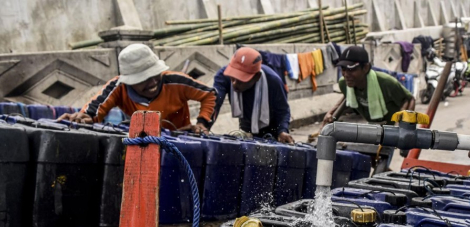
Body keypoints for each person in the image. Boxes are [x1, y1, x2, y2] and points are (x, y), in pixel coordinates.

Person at [58, 44, 216, 133]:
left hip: (179, 141)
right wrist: (83, 117)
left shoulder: (176, 81)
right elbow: (95, 108)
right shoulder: (118, 87)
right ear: (129, 81)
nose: (153, 82)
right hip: (141, 143)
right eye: (144, 79)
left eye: (155, 75)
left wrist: (202, 124)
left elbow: (210, 94)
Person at [212, 47, 294, 143]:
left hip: (271, 130)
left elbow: (283, 111)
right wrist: (204, 123)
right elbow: (214, 100)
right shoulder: (224, 75)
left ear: (256, 77)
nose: (234, 84)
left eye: (240, 80)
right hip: (246, 129)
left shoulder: (273, 81)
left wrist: (282, 131)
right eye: (233, 79)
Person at [321, 46, 416, 127]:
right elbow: (347, 97)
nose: (346, 74)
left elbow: (410, 98)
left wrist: (404, 125)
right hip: (372, 126)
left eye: (351, 69)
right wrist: (330, 113)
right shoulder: (344, 83)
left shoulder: (386, 82)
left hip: (389, 126)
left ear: (365, 68)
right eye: (343, 69)